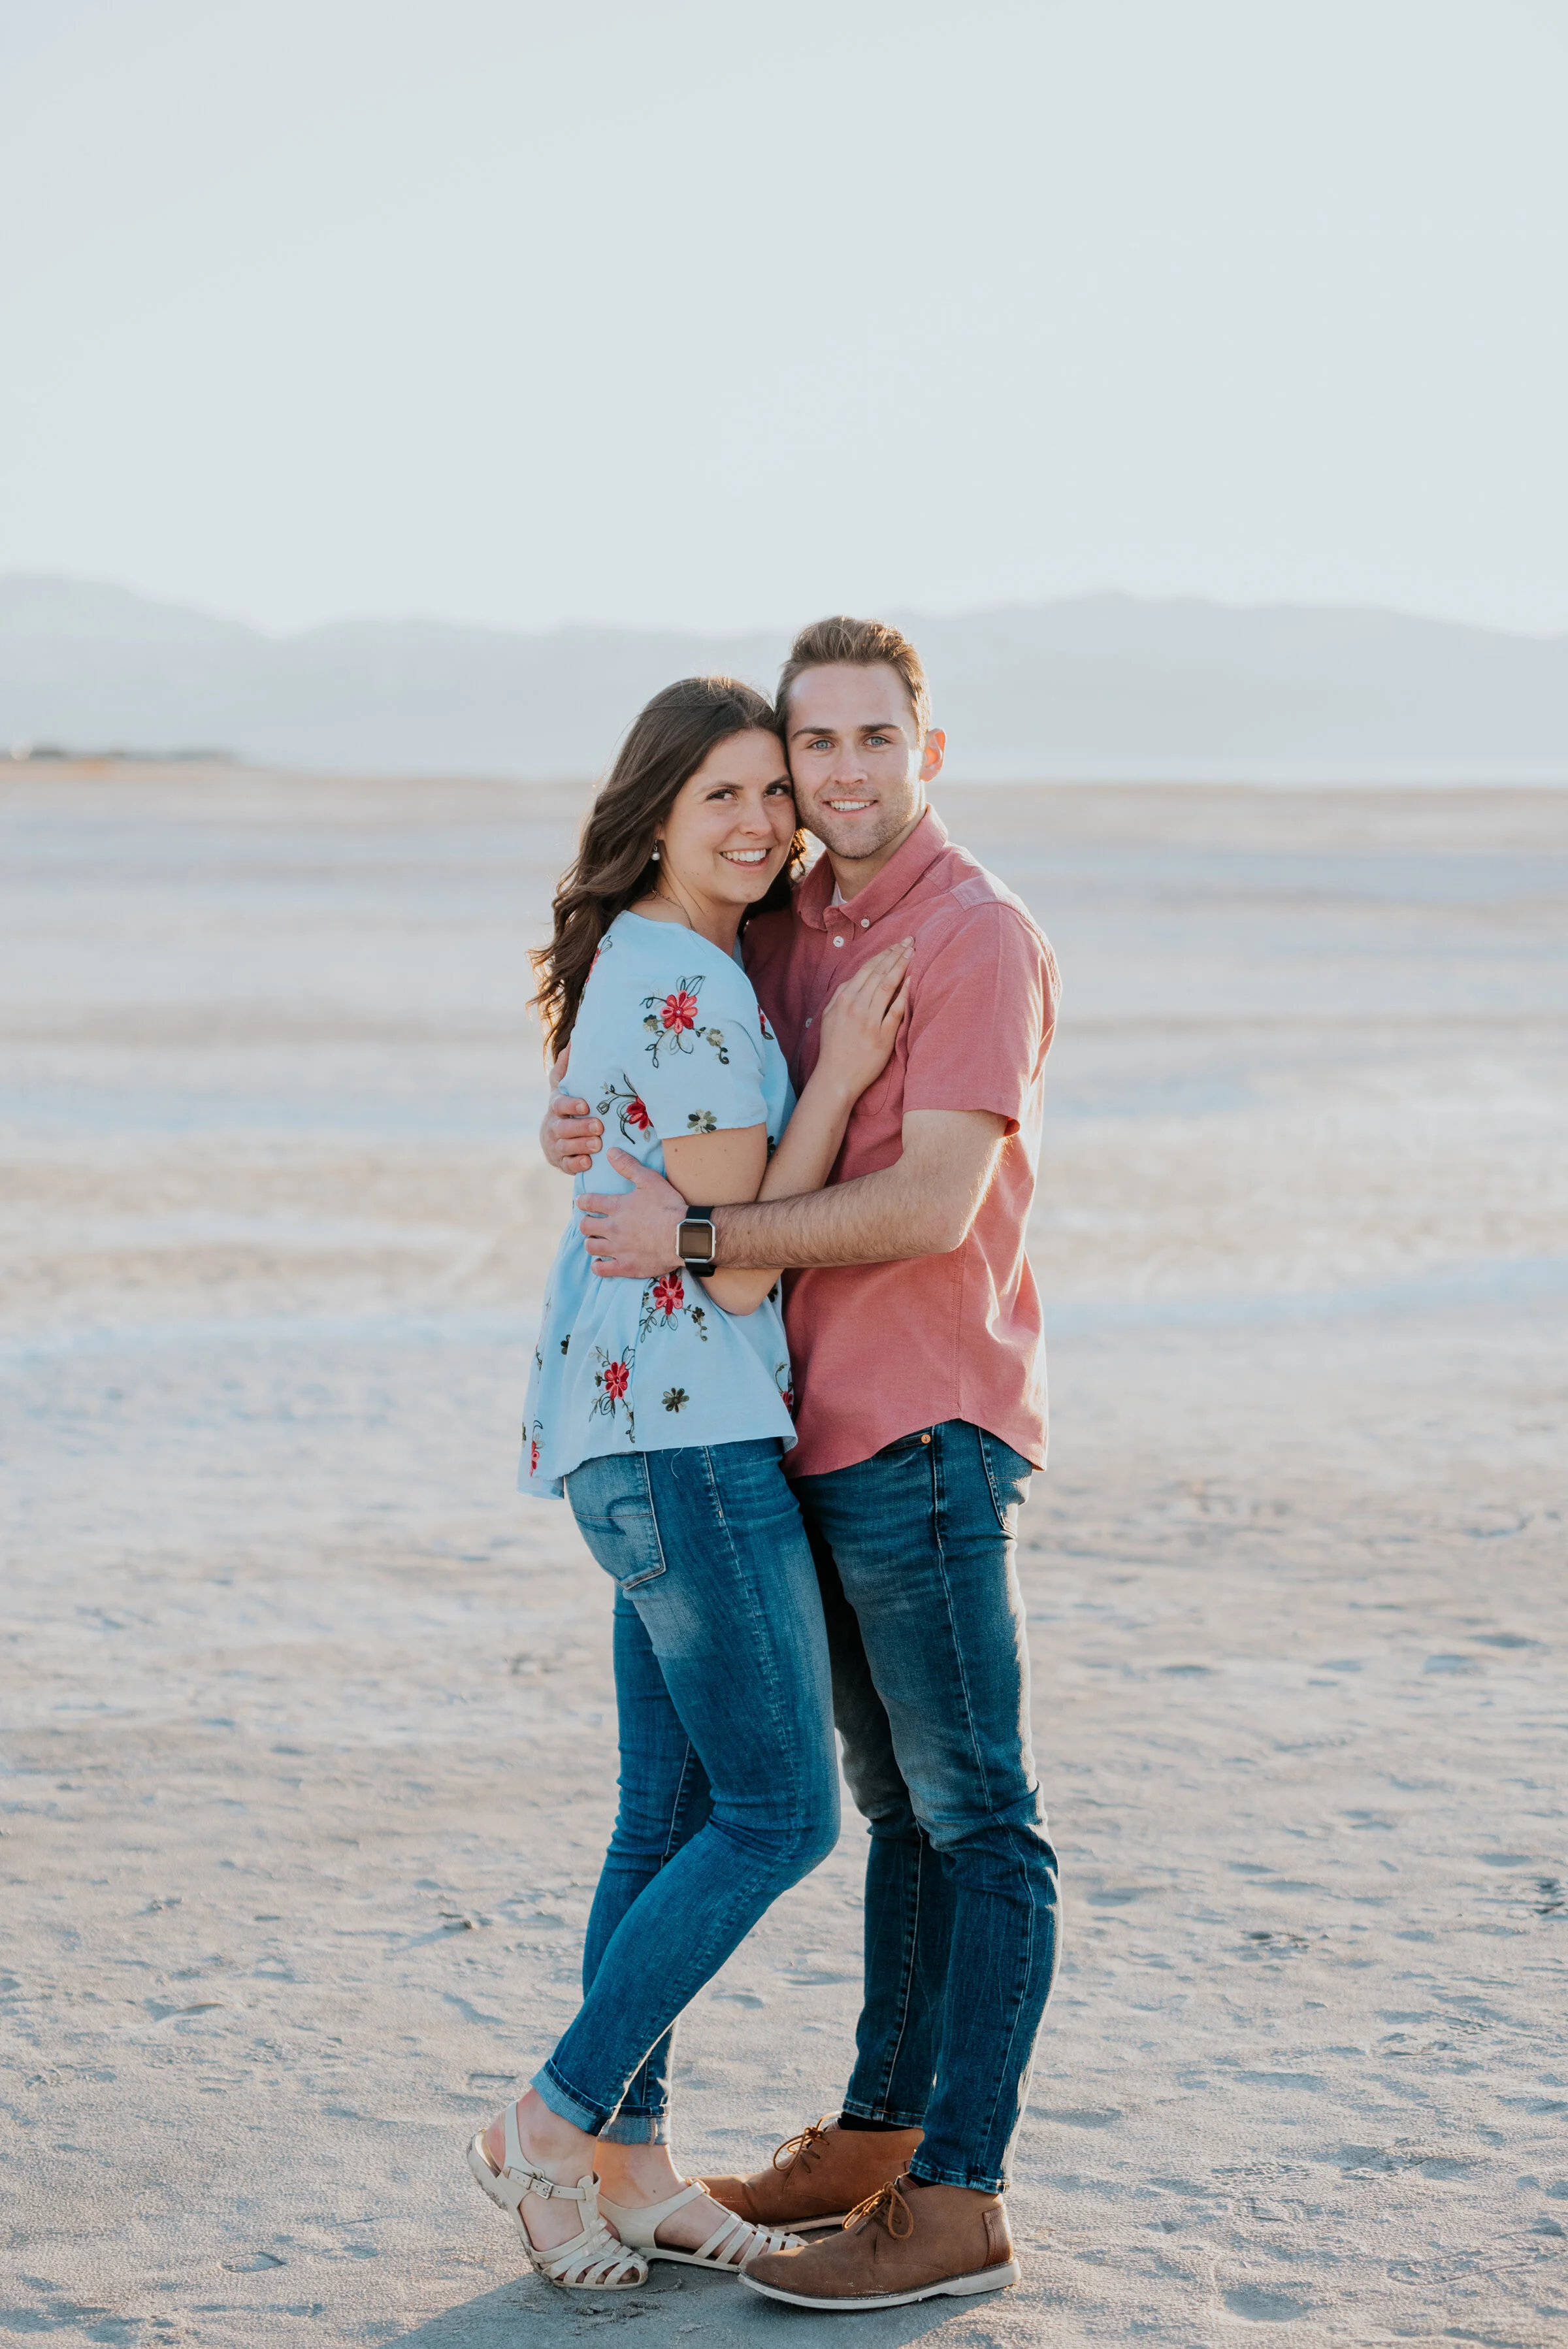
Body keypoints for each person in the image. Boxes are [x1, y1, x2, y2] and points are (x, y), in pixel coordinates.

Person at [542, 616, 1061, 2312]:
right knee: (856, 1809)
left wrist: (691, 1218)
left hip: (913, 1431)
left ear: (928, 749)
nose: (824, 783)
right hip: (772, 1439)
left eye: (860, 744)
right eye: (795, 754)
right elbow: (680, 1080)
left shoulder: (972, 935)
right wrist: (591, 1120)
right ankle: (860, 2138)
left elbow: (927, 1205)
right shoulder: (789, 930)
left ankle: (954, 2187)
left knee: (960, 1810)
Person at [471, 674, 914, 2294]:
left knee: (662, 1818)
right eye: (718, 793)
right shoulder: (696, 992)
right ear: (655, 810)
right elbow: (734, 1273)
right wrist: (850, 1079)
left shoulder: (645, 966)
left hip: (623, 1439)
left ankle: (637, 2171)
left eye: (768, 795)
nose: (755, 821)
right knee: (783, 1813)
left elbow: (652, 1186)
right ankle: (554, 2117)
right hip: (690, 1436)